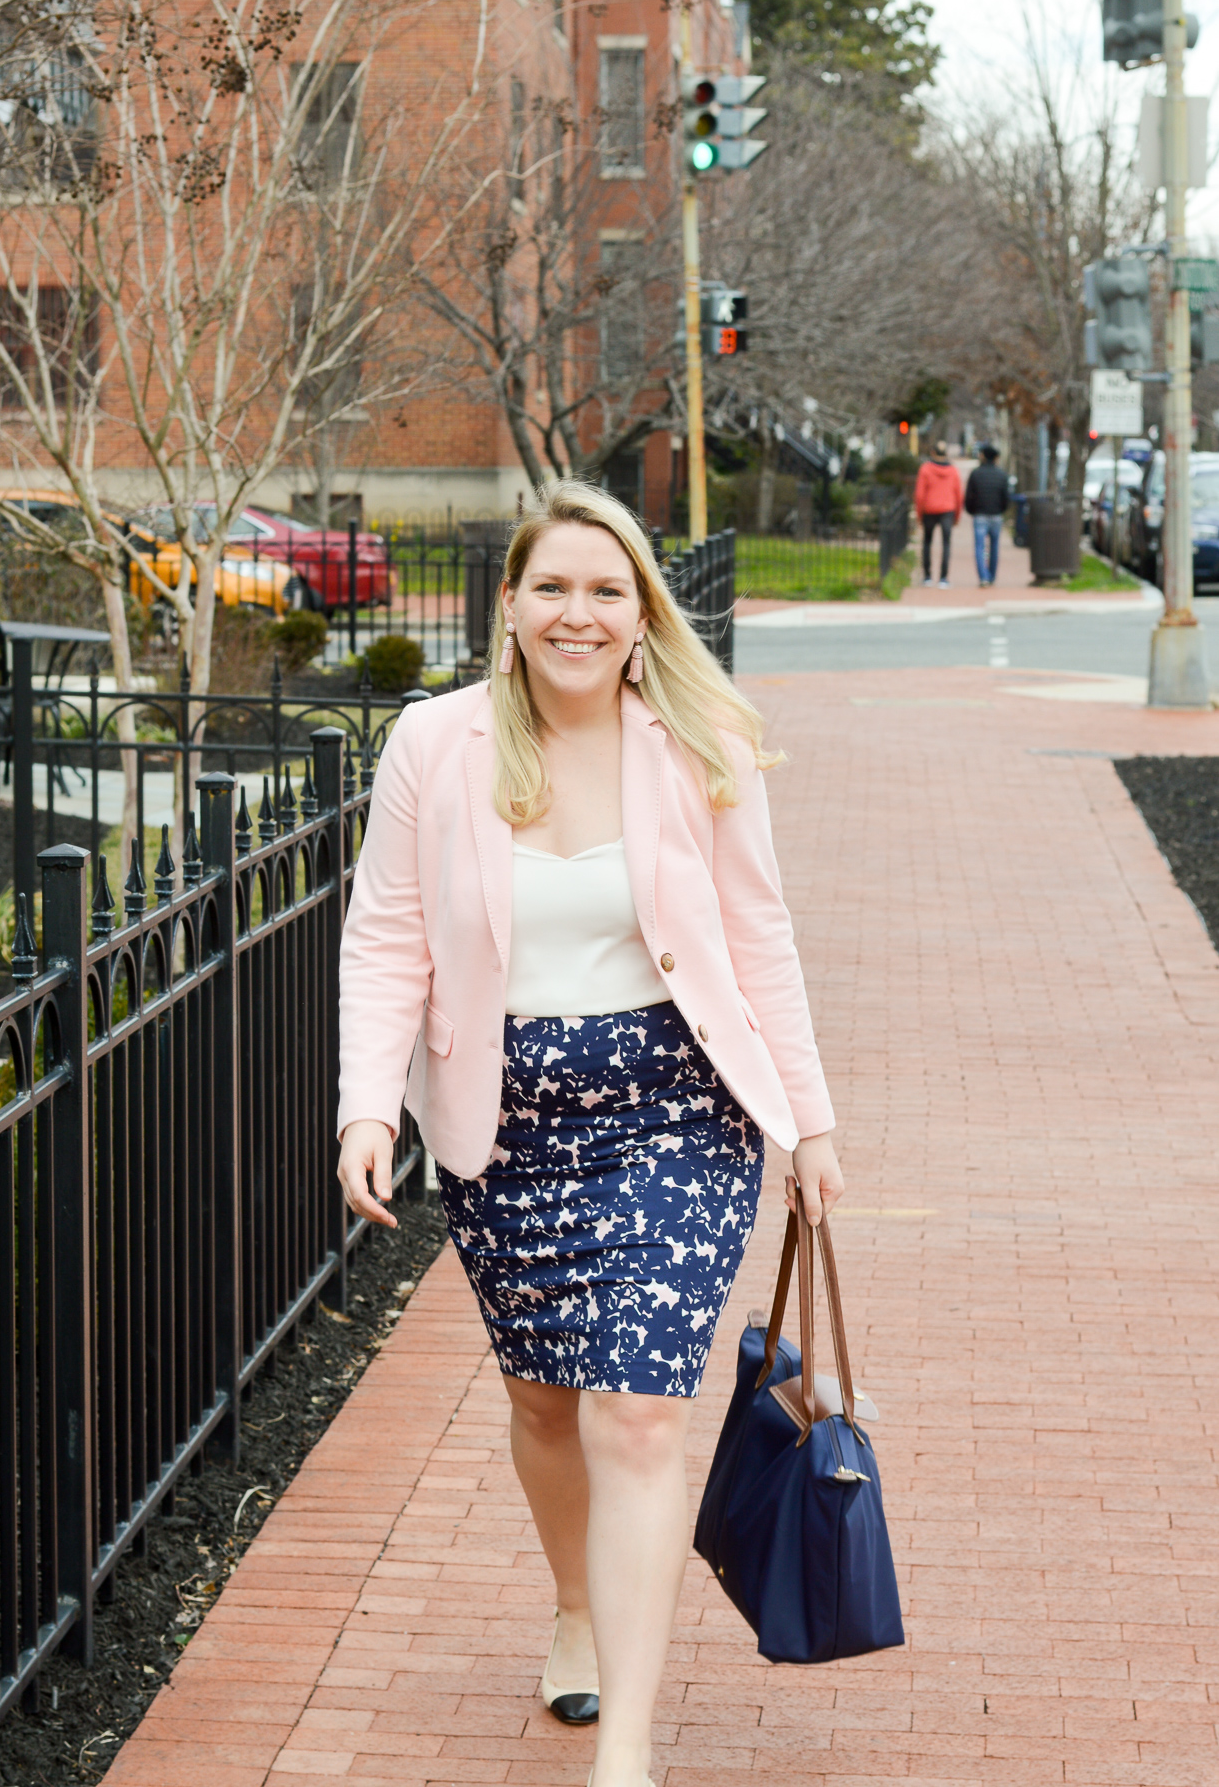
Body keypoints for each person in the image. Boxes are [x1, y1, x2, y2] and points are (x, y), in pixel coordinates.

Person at [336, 479, 843, 1787]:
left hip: (678, 1111)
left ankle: (626, 1739)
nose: (579, 611)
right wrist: (363, 1103)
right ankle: (576, 1603)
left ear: (640, 612)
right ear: (508, 607)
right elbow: (386, 935)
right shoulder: (434, 745)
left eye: (606, 589)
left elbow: (760, 937)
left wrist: (814, 1120)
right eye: (553, 586)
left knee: (634, 1413)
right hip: (502, 1126)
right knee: (545, 1399)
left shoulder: (695, 741)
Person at [914, 439, 963, 587]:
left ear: (933, 452)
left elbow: (919, 494)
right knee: (946, 544)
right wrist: (957, 515)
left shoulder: (925, 469)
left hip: (929, 509)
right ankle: (943, 578)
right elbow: (959, 495)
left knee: (927, 542)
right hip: (948, 510)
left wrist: (919, 514)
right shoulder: (953, 471)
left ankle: (927, 577)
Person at [964, 442, 1010, 588]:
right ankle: (992, 575)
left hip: (980, 515)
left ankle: (983, 577)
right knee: (995, 547)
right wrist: (1001, 510)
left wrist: (972, 511)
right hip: (996, 515)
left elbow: (969, 496)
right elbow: (1006, 497)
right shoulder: (1002, 475)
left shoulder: (976, 473)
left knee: (979, 547)